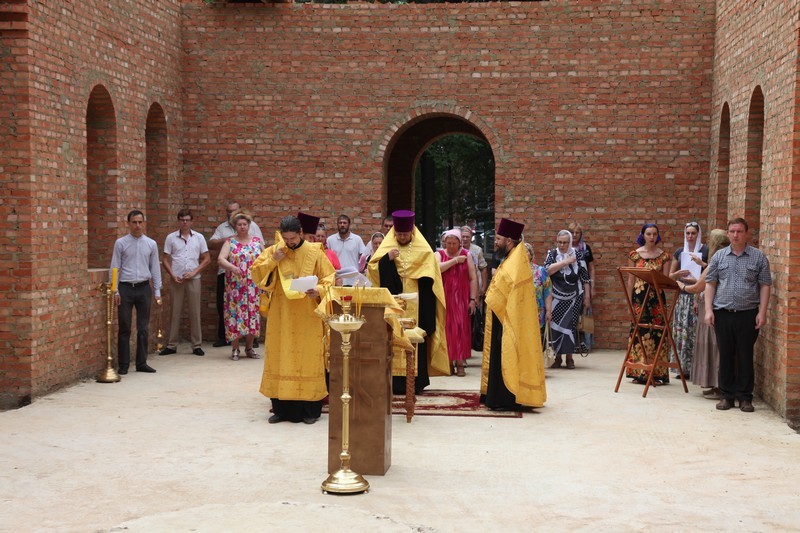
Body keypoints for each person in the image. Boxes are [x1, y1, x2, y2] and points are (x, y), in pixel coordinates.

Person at [251, 215, 335, 424]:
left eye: (293, 238)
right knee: (280, 357)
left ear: (300, 233)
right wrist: (273, 260)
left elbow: (330, 278)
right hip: (282, 314)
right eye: (286, 238)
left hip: (308, 314)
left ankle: (310, 411)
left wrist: (318, 290)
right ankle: (281, 410)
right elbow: (256, 275)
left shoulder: (315, 252)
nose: (289, 243)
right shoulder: (274, 250)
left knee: (308, 359)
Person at [366, 209, 450, 395]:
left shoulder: (424, 250)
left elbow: (432, 278)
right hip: (393, 303)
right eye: (399, 234)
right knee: (392, 338)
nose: (402, 237)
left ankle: (415, 382)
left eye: (405, 234)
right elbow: (372, 270)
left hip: (417, 304)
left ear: (412, 231)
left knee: (416, 339)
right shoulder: (387, 246)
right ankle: (393, 382)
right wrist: (387, 260)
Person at [704, 218, 771, 413]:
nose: (735, 235)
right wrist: (708, 310)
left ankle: (745, 398)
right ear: (727, 233)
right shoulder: (719, 257)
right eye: (732, 231)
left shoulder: (758, 257)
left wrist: (762, 312)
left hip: (747, 314)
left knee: (745, 355)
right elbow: (710, 283)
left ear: (746, 233)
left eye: (739, 231)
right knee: (725, 355)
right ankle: (726, 396)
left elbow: (765, 285)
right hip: (723, 313)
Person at [480, 218, 546, 411]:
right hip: (502, 315)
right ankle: (496, 396)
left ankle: (505, 398)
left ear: (509, 240)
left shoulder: (516, 260)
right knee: (499, 356)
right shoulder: (511, 257)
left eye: (498, 239)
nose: (495, 242)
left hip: (509, 318)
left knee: (506, 357)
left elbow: (511, 291)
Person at [675, 229, 729, 399]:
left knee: (714, 347)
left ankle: (720, 386)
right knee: (712, 347)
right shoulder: (719, 260)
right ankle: (714, 384)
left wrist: (682, 286)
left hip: (712, 310)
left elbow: (699, 285)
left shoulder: (717, 261)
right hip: (708, 307)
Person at [110, 209, 162, 374]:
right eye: (134, 222)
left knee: (143, 327)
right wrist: (115, 290)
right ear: (128, 223)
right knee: (125, 327)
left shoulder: (151, 244)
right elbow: (115, 266)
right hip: (125, 288)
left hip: (144, 288)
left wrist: (157, 290)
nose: (137, 225)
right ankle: (124, 364)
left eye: (140, 222)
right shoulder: (121, 243)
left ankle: (141, 363)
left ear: (143, 223)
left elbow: (155, 268)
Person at [209, 201, 264, 347]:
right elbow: (221, 259)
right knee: (235, 314)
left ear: (249, 225)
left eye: (245, 224)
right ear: (235, 226)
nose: (242, 227)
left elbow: (265, 259)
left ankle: (249, 347)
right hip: (235, 285)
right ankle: (235, 348)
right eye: (239, 225)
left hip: (252, 285)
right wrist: (232, 268)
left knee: (252, 314)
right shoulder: (230, 241)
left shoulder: (256, 241)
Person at [624, 223, 672, 385]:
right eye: (648, 234)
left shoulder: (664, 256)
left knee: (657, 333)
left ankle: (656, 372)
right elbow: (630, 281)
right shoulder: (634, 255)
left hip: (657, 299)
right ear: (643, 235)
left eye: (654, 234)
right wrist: (629, 303)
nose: (652, 237)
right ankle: (639, 371)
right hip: (639, 298)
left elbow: (665, 281)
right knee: (639, 331)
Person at [159, 209, 211, 357]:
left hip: (194, 278)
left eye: (187, 220)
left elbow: (207, 259)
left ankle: (196, 345)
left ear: (191, 221)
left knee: (195, 312)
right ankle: (171, 345)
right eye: (182, 220)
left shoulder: (199, 238)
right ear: (178, 221)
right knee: (175, 311)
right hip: (177, 279)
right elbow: (165, 259)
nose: (185, 222)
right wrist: (172, 274)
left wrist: (195, 271)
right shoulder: (171, 238)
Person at [667, 221, 709, 379]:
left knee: (694, 331)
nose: (690, 236)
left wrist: (701, 265)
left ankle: (696, 369)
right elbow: (670, 276)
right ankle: (681, 367)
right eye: (688, 233)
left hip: (698, 295)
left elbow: (712, 271)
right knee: (681, 330)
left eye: (693, 233)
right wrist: (678, 274)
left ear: (698, 234)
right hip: (682, 296)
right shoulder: (680, 252)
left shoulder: (705, 250)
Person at [544, 230, 591, 369]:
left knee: (570, 326)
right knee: (555, 327)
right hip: (555, 296)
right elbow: (547, 271)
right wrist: (566, 262)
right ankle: (557, 358)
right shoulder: (552, 254)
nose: (562, 245)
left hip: (574, 297)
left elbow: (585, 278)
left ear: (570, 242)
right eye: (559, 242)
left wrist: (587, 297)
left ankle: (569, 358)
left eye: (565, 242)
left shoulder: (578, 254)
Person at [438, 228, 478, 377]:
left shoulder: (467, 255)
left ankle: (460, 362)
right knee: (447, 330)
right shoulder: (439, 254)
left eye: (454, 243)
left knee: (461, 330)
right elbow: (437, 269)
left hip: (461, 299)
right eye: (448, 243)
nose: (451, 246)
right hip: (444, 299)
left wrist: (472, 299)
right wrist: (454, 261)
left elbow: (473, 278)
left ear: (460, 243)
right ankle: (448, 363)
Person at [569, 222, 596, 351]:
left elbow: (591, 268)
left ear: (581, 234)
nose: (575, 235)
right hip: (568, 287)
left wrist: (592, 287)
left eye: (577, 233)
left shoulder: (586, 248)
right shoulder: (564, 248)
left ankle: (585, 344)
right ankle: (572, 344)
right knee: (570, 316)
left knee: (584, 315)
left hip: (583, 286)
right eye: (572, 232)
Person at [523, 242, 553, 338]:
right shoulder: (514, 273)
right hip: (520, 314)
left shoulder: (541, 271)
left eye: (526, 251)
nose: (523, 254)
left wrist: (548, 311)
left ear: (531, 255)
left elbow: (547, 292)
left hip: (537, 314)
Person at [461, 226, 489, 299]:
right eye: (463, 237)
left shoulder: (477, 250)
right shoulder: (456, 249)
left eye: (467, 237)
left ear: (471, 237)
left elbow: (483, 268)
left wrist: (484, 287)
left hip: (476, 285)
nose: (465, 239)